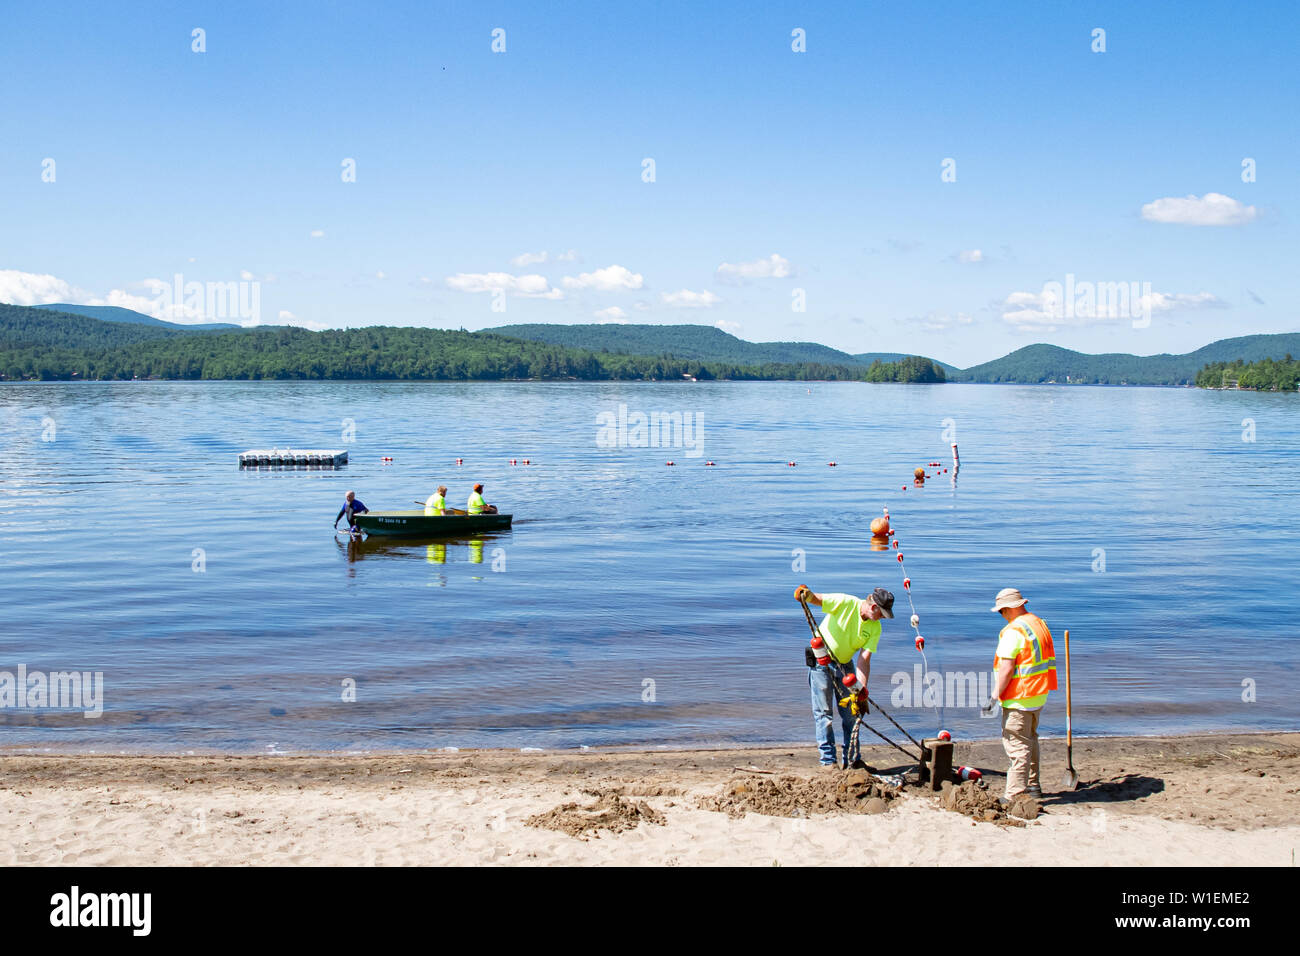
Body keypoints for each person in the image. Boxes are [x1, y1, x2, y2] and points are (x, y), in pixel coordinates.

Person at [794, 584, 894, 768]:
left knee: (852, 715)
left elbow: (864, 659)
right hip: (821, 662)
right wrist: (805, 595)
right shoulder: (846, 602)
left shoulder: (875, 627)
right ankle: (828, 762)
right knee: (824, 715)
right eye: (882, 613)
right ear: (873, 607)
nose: (883, 618)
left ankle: (852, 760)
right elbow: (817, 599)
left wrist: (861, 690)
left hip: (844, 665)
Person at [982, 587, 1057, 803]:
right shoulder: (1037, 624)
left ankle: (1014, 794)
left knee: (1017, 745)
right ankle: (1033, 785)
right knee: (1031, 739)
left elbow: (1006, 670)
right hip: (1038, 694)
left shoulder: (1014, 632)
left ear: (1009, 609)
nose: (1001, 616)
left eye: (1001, 611)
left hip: (1019, 697)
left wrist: (994, 697)